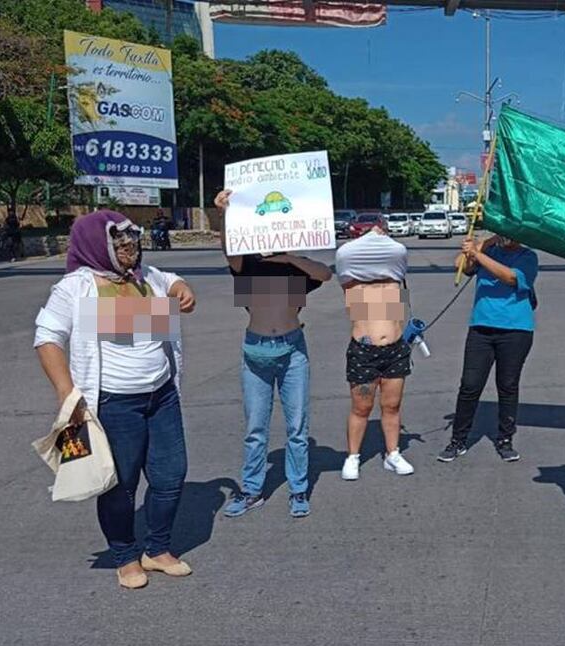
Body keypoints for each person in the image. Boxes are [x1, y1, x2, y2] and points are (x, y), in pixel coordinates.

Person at [33, 210, 196, 589]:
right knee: (119, 483)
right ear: (98, 248)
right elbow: (47, 338)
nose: (131, 253)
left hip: (163, 396)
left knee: (171, 475)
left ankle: (157, 549)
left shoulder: (148, 278)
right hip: (113, 404)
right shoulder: (76, 288)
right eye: (121, 247)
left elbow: (172, 281)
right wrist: (66, 392)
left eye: (133, 245)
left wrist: (181, 290)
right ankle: (125, 555)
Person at [213, 190, 333, 519]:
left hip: (293, 350)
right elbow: (228, 251)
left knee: (297, 426)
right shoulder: (247, 263)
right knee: (255, 426)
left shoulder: (296, 267)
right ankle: (251, 490)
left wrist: (287, 256)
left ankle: (298, 489)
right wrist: (223, 214)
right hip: (256, 350)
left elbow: (325, 273)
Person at [438, 233, 539, 463]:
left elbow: (511, 278)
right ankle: (458, 440)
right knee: (469, 386)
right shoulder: (489, 250)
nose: (507, 236)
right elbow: (461, 265)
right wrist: (483, 244)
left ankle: (505, 439)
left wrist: (478, 253)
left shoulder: (528, 256)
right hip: (481, 327)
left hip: (516, 330)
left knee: (507, 385)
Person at [336, 224, 415, 480]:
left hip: (395, 349)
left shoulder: (396, 277)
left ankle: (393, 454)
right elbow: (346, 254)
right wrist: (370, 235)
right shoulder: (351, 280)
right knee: (361, 408)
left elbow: (398, 253)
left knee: (392, 405)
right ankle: (352, 456)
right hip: (364, 351)